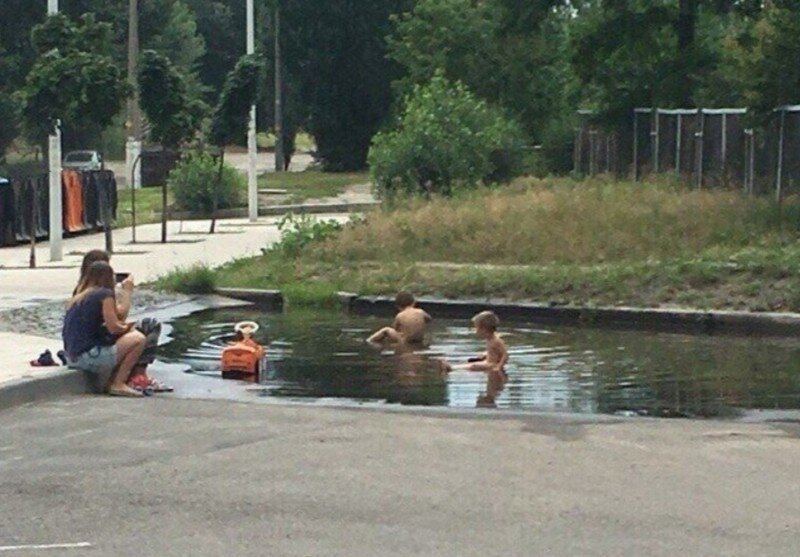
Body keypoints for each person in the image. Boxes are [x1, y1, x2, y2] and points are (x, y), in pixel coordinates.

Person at [75, 250, 171, 392]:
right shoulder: (102, 293)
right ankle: (129, 378)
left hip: (81, 349)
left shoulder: (82, 292)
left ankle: (134, 374)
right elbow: (117, 322)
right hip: (93, 349)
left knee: (140, 329)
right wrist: (126, 294)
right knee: (143, 332)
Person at [63, 261, 146, 397]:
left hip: (72, 356)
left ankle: (114, 380)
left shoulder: (81, 295)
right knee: (138, 338)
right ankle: (118, 383)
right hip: (88, 357)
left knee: (130, 335)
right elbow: (114, 327)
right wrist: (127, 293)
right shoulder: (104, 294)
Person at [367, 291, 432, 346]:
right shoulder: (420, 311)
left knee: (386, 329)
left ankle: (369, 341)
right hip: (419, 339)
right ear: (414, 302)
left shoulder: (400, 315)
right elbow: (429, 319)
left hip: (405, 341)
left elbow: (395, 329)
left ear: (398, 306)